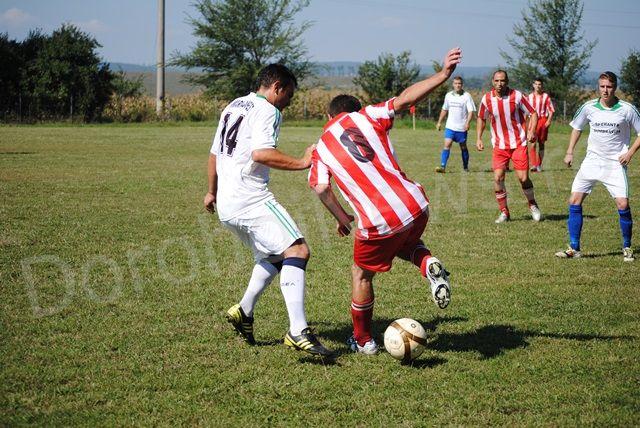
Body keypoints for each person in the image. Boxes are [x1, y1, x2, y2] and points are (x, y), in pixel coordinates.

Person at [308, 47, 462, 355]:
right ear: (355, 109)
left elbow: (321, 188)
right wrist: (442, 75)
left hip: (378, 220)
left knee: (361, 274)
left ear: (329, 116)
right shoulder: (368, 115)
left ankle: (363, 340)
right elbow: (404, 99)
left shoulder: (321, 146)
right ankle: (427, 263)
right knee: (404, 241)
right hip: (415, 204)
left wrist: (342, 218)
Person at [204, 64, 334, 357]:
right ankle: (298, 330)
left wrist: (212, 191)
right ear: (277, 87)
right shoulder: (268, 110)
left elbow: (214, 154)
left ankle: (244, 310)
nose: (289, 102)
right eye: (289, 95)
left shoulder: (234, 105)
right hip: (250, 199)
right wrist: (303, 162)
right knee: (298, 250)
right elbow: (261, 153)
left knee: (273, 256)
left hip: (227, 204)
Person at [555, 71, 640, 262]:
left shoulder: (627, 109)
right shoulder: (588, 107)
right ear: (598, 87)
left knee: (623, 204)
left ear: (615, 87)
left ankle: (627, 247)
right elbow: (577, 128)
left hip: (615, 164)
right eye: (602, 86)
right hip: (591, 162)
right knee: (574, 200)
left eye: (609, 86)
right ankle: (574, 248)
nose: (605, 90)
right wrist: (569, 151)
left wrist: (629, 153)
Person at [476, 70, 542, 223]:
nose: (500, 84)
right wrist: (478, 138)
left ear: (507, 82)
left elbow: (533, 113)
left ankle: (532, 204)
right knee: (498, 178)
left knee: (523, 178)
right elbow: (481, 118)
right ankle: (504, 212)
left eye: (503, 81)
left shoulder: (517, 96)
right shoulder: (487, 99)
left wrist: (532, 130)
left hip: (518, 143)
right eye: (497, 81)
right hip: (499, 145)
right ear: (493, 82)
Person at [435, 76, 476, 172]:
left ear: (462, 85)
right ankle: (442, 166)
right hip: (450, 126)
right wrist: (439, 122)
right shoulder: (448, 95)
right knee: (447, 144)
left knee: (463, 146)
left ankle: (465, 167)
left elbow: (471, 111)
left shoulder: (467, 96)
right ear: (453, 84)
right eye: (456, 83)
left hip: (461, 127)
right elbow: (444, 109)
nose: (457, 85)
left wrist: (467, 123)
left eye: (459, 83)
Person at [527, 77, 555, 172]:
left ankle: (539, 164)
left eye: (539, 84)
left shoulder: (545, 96)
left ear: (542, 86)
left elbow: (551, 110)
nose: (538, 86)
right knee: (532, 143)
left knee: (541, 143)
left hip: (542, 120)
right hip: (532, 121)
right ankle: (533, 165)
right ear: (533, 85)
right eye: (536, 84)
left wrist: (549, 121)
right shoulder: (529, 97)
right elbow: (526, 111)